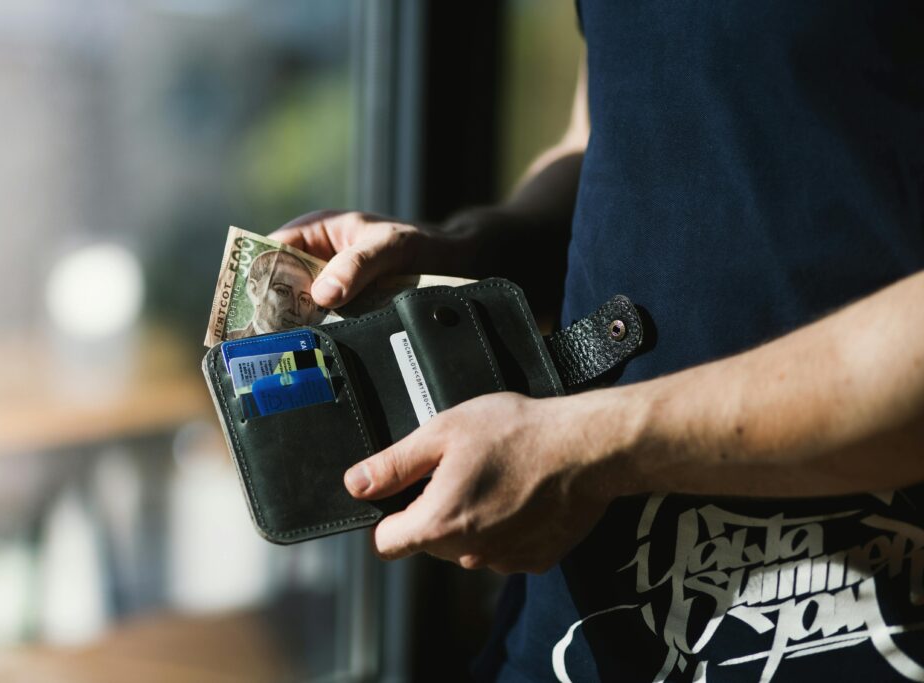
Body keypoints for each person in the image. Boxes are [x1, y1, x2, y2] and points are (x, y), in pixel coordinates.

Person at [271, 3, 924, 680]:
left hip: (858, 624)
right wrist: (468, 249)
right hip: (577, 628)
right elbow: (610, 128)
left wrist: (596, 448)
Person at [232, 249, 318, 338]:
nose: (295, 310)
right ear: (254, 290)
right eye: (283, 291)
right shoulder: (225, 343)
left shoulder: (318, 347)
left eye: (304, 300)